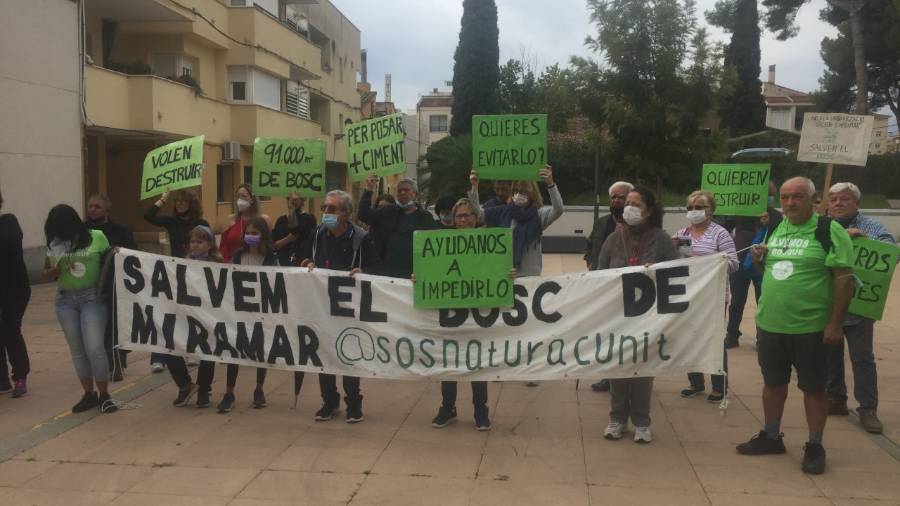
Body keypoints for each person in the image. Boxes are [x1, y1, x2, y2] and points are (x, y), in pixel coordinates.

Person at [737, 177, 854, 475]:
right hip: (771, 324)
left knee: (814, 388)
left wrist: (835, 324)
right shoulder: (778, 228)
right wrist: (759, 260)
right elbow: (773, 271)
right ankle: (771, 436)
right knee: (773, 383)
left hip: (811, 328)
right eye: (785, 197)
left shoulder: (829, 230)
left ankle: (815, 445)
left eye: (797, 197)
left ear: (814, 199)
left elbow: (844, 279)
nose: (789, 203)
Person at [425, 198, 516, 431]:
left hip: (478, 314)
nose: (463, 220)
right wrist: (420, 278)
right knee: (449, 362)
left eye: (467, 216)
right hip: (451, 312)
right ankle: (448, 408)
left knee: (477, 364)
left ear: (476, 218)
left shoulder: (490, 242)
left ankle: (480, 410)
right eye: (459, 216)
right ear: (453, 220)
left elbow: (497, 270)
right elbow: (431, 272)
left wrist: (509, 273)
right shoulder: (441, 243)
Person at [596, 186, 678, 443]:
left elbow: (675, 272)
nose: (629, 208)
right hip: (618, 315)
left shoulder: (661, 239)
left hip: (648, 317)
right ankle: (617, 419)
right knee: (619, 368)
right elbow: (599, 273)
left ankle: (642, 422)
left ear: (649, 210)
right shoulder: (613, 238)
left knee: (643, 369)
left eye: (636, 204)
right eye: (627, 203)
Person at [470, 166, 563, 388]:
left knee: (529, 325)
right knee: (502, 322)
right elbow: (478, 213)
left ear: (532, 195)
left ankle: (531, 368)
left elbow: (559, 209)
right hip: (503, 276)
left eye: (525, 191)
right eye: (517, 191)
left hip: (529, 277)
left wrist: (550, 183)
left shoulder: (540, 216)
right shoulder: (503, 212)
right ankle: (503, 364)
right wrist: (474, 187)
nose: (520, 195)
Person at [299, 190, 379, 423]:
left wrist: (364, 273)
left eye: (331, 209)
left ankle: (353, 403)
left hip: (349, 309)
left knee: (348, 356)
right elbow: (301, 260)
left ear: (346, 213)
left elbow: (377, 269)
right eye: (324, 208)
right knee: (324, 355)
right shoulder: (316, 235)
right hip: (321, 307)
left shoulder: (361, 238)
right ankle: (329, 402)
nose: (325, 213)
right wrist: (307, 263)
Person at [825, 182, 895, 434]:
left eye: (844, 199)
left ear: (857, 203)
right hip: (828, 304)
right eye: (832, 199)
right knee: (830, 354)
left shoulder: (870, 226)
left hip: (859, 306)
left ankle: (868, 409)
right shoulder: (822, 225)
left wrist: (865, 239)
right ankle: (836, 399)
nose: (837, 204)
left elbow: (891, 250)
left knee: (862, 358)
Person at [44, 204, 117, 413]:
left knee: (94, 346)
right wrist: (52, 271)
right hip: (65, 299)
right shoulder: (55, 243)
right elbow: (47, 272)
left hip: (92, 297)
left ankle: (105, 394)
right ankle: (88, 393)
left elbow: (110, 262)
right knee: (77, 349)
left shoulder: (97, 236)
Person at [676, 191, 738, 403]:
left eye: (700, 207)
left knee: (713, 340)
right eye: (690, 208)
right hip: (688, 293)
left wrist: (706, 261)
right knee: (689, 337)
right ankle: (695, 382)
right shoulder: (683, 233)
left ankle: (719, 385)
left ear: (711, 210)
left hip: (713, 295)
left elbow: (733, 264)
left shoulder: (720, 234)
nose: (694, 211)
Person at [217, 217, 279, 413]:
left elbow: (276, 282)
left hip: (261, 311)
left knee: (260, 350)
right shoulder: (238, 255)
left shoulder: (271, 257)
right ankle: (229, 393)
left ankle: (259, 389)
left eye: (255, 233)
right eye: (248, 233)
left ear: (263, 236)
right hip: (240, 309)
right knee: (235, 350)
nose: (250, 236)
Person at [144, 189, 208, 372]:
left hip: (195, 275)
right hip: (174, 274)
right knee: (166, 314)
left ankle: (193, 353)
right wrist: (163, 199)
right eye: (177, 201)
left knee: (192, 314)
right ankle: (158, 358)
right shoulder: (172, 222)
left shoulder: (201, 224)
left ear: (191, 204)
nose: (179, 204)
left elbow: (209, 247)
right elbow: (148, 216)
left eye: (183, 201)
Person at [585, 180, 633, 393]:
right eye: (613, 197)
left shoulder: (639, 225)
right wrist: (590, 261)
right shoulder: (601, 222)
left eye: (620, 197)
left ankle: (631, 375)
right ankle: (609, 375)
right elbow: (591, 244)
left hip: (629, 289)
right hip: (603, 288)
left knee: (627, 334)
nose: (616, 201)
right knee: (607, 332)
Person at [723, 181, 782, 349]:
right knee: (737, 301)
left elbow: (778, 231)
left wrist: (766, 223)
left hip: (762, 261)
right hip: (741, 257)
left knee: (762, 300)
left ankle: (761, 337)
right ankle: (732, 334)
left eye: (770, 195)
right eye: (765, 194)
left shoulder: (776, 216)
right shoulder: (739, 212)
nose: (768, 198)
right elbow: (724, 226)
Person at [85, 194, 137, 381]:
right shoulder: (82, 231)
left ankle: (116, 362)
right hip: (89, 285)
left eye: (97, 206)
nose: (92, 209)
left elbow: (132, 254)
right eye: (90, 206)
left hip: (115, 283)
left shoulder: (120, 230)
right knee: (95, 326)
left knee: (115, 325)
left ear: (107, 209)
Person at [168, 225, 220, 408]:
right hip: (185, 314)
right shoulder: (181, 264)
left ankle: (204, 389)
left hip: (208, 316)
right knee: (168, 347)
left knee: (208, 352)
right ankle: (185, 385)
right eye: (192, 241)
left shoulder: (219, 265)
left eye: (200, 241)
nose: (195, 245)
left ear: (210, 244)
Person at [358, 175, 438, 278]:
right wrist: (369, 189)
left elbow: (434, 246)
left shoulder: (425, 217)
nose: (402, 193)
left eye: (406, 190)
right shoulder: (388, 211)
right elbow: (363, 214)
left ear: (416, 195)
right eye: (399, 191)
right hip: (386, 273)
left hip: (413, 275)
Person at [0, 188, 31, 398]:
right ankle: (2, 381)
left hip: (14, 290)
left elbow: (9, 245)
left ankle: (20, 376)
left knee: (10, 330)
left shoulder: (9, 222)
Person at [219, 184, 269, 263]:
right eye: (238, 197)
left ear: (252, 199)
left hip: (258, 264)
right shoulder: (230, 219)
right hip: (232, 266)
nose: (239, 200)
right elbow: (223, 246)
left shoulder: (263, 219)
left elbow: (268, 244)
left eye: (243, 196)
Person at [272, 192, 317, 267]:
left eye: (295, 199)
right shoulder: (281, 220)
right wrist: (288, 239)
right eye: (290, 199)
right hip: (283, 265)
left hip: (302, 265)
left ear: (302, 200)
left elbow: (310, 242)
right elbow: (274, 245)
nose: (292, 201)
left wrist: (292, 210)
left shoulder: (309, 219)